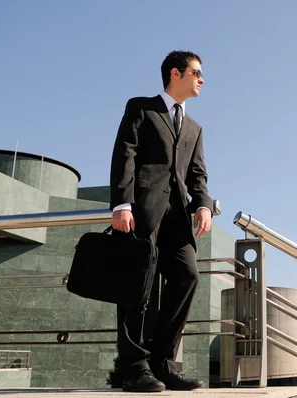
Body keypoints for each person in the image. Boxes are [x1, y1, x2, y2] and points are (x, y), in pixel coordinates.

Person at [109, 50, 213, 392]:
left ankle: (162, 362)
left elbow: (197, 174)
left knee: (187, 274)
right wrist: (122, 203)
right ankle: (133, 367)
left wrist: (204, 205)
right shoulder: (141, 107)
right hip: (141, 210)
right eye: (196, 72)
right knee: (138, 286)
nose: (202, 79)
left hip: (177, 217)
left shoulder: (195, 128)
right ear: (175, 73)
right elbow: (126, 152)